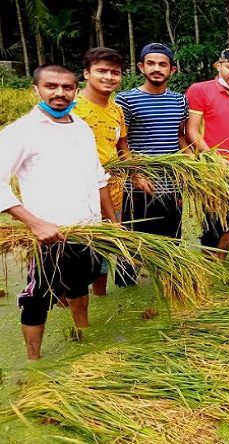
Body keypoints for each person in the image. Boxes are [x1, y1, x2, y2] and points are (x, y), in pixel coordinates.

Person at [0, 65, 117, 360]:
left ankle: (83, 335)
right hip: (48, 236)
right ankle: (34, 360)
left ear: (75, 91)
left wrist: (111, 221)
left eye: (67, 87)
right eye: (51, 86)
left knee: (79, 283)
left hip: (87, 230)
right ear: (36, 90)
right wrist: (35, 223)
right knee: (37, 297)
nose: (60, 93)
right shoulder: (21, 132)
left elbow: (97, 177)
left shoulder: (80, 127)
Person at [115, 43, 188, 286]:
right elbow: (120, 144)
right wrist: (135, 175)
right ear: (141, 67)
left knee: (171, 240)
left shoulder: (179, 101)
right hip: (136, 187)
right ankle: (126, 288)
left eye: (162, 64)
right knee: (133, 243)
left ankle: (168, 282)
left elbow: (180, 137)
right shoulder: (125, 100)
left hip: (171, 184)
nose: (157, 69)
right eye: (151, 63)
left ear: (172, 70)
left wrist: (189, 165)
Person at [185, 47, 229, 259]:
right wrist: (215, 159)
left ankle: (220, 262)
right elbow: (192, 131)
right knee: (212, 222)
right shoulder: (200, 90)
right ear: (219, 66)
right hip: (211, 170)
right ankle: (208, 263)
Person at [72, 47, 128, 296]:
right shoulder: (72, 110)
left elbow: (122, 148)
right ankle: (69, 303)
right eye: (101, 71)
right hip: (79, 198)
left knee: (105, 248)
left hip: (115, 193)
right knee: (75, 253)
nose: (108, 77)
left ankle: (100, 294)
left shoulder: (116, 110)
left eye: (114, 72)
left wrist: (137, 174)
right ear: (86, 73)